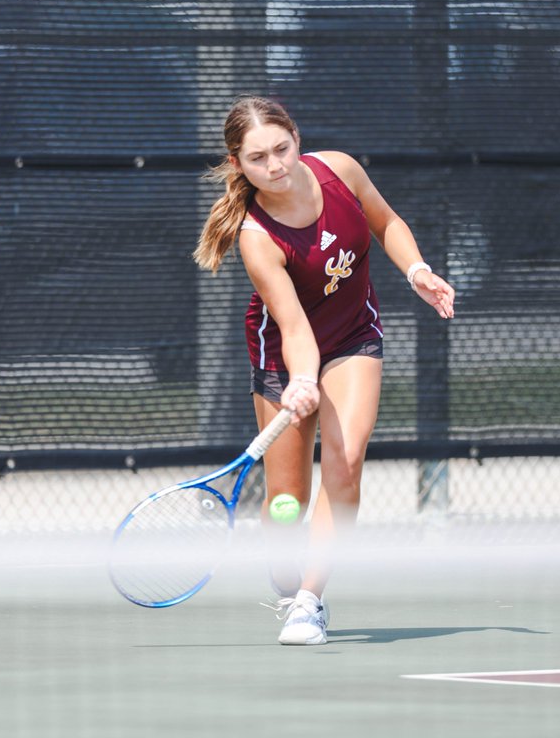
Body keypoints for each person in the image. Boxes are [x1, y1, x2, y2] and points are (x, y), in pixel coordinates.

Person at [194, 96, 454, 645]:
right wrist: (303, 379)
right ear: (238, 165)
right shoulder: (256, 237)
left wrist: (418, 271)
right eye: (259, 158)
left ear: (296, 138)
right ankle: (288, 580)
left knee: (347, 461)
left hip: (355, 336)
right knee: (286, 502)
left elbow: (387, 223)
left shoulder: (339, 170)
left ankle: (310, 602)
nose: (276, 166)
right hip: (282, 355)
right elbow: (291, 326)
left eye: (282, 149)